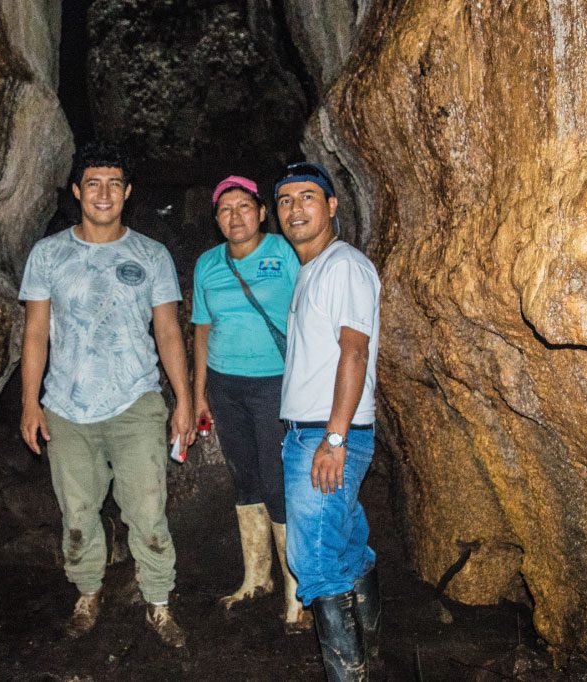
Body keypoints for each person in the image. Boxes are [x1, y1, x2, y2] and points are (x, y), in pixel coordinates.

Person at [18, 140, 195, 648]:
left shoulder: (151, 255)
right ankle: (88, 592)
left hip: (135, 402)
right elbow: (36, 332)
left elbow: (168, 331)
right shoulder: (48, 254)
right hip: (67, 406)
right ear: (77, 191)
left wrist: (183, 400)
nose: (103, 193)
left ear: (127, 192)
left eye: (114, 184)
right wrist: (30, 402)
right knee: (78, 514)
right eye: (93, 183)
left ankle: (158, 600)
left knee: (148, 512)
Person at [274, 162, 382, 680]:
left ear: (332, 206)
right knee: (347, 549)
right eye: (286, 200)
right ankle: (372, 657)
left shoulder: (343, 266)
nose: (295, 209)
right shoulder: (313, 269)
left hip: (327, 434)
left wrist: (334, 439)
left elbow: (354, 353)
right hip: (318, 432)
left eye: (308, 197)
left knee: (314, 563)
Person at [191, 176, 312, 633]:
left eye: (244, 206)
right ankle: (256, 578)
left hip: (275, 384)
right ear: (216, 219)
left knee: (277, 481)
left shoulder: (285, 252)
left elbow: (310, 311)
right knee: (245, 479)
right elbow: (202, 329)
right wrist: (200, 393)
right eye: (225, 209)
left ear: (262, 212)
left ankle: (297, 593)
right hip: (225, 385)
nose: (235, 216)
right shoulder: (208, 263)